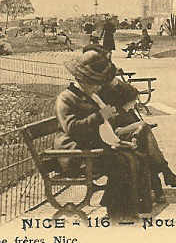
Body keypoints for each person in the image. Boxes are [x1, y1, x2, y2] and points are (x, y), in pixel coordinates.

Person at [54, 48, 153, 220]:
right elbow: (73, 129)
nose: (99, 87)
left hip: (90, 149)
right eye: (95, 83)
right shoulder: (66, 98)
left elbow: (100, 127)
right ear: (82, 79)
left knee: (134, 156)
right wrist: (100, 116)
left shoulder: (90, 95)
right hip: (73, 155)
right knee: (121, 162)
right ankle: (118, 212)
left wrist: (111, 120)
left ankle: (125, 207)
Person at [97, 72, 176, 204]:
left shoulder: (127, 109)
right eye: (132, 103)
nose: (134, 105)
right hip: (115, 136)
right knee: (144, 134)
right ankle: (166, 173)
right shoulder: (109, 107)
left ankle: (161, 186)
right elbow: (109, 127)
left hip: (130, 136)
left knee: (145, 145)